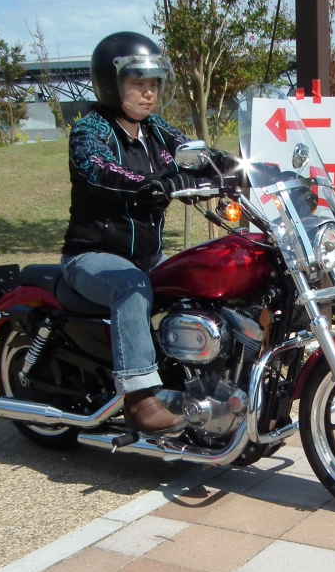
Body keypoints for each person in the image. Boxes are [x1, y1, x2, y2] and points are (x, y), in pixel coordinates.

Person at [60, 31, 234, 435]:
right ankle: (139, 398)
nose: (149, 92)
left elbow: (201, 156)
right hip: (91, 257)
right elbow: (100, 169)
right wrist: (150, 183)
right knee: (132, 287)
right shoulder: (90, 131)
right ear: (111, 83)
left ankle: (202, 382)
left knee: (200, 281)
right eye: (138, 82)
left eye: (154, 82)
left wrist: (246, 170)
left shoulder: (157, 130)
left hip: (147, 257)